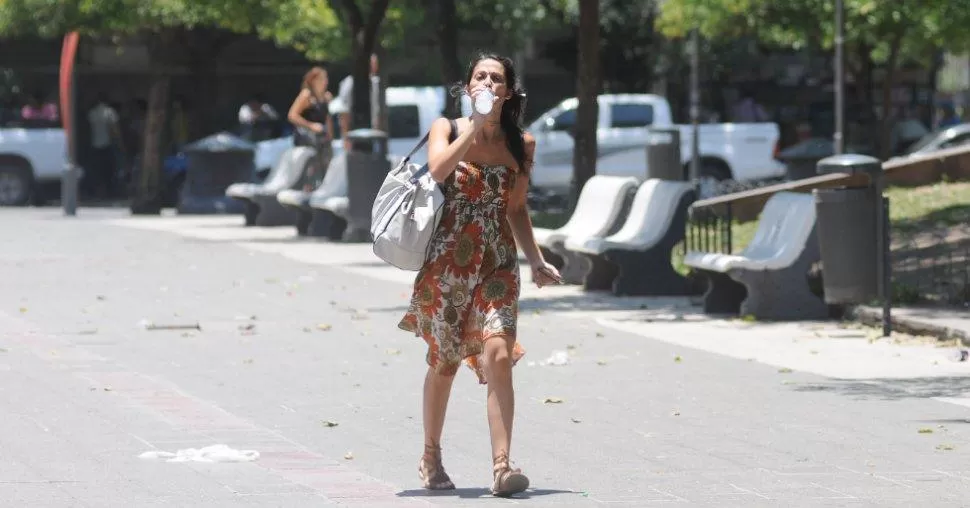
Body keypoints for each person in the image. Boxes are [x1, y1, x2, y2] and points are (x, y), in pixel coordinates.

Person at [397, 53, 562, 497]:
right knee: (445, 363)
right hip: (447, 265)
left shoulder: (521, 143)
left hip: (497, 263)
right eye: (480, 76)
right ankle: (431, 456)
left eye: (497, 78)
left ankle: (502, 467)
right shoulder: (446, 129)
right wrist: (475, 122)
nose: (489, 81)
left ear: (508, 91)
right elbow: (437, 170)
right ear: (469, 87)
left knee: (499, 354)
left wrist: (536, 259)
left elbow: (516, 207)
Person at [287, 66, 335, 191]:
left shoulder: (326, 97)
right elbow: (292, 115)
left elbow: (327, 118)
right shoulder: (306, 96)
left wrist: (330, 135)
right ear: (313, 81)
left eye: (326, 78)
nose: (325, 82)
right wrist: (311, 125)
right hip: (308, 139)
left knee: (326, 166)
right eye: (321, 79)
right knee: (311, 169)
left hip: (322, 139)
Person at [331, 53, 386, 151]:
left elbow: (376, 112)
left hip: (371, 132)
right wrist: (346, 137)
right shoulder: (350, 83)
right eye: (371, 64)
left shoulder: (375, 83)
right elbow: (344, 112)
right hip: (354, 132)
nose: (374, 67)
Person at [86, 94, 124, 199]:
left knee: (97, 170)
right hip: (107, 145)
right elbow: (114, 130)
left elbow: (89, 129)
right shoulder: (110, 112)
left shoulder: (92, 113)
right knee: (110, 170)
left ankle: (99, 192)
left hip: (94, 145)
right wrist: (120, 143)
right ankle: (109, 192)